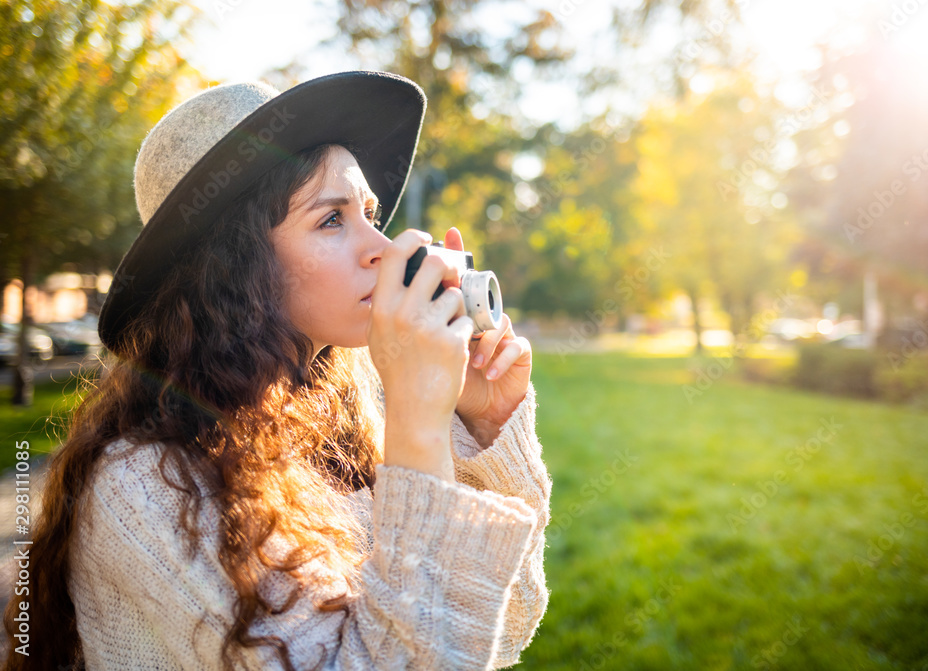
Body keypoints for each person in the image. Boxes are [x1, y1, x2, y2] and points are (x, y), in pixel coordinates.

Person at [1, 72, 551, 670]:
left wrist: (488, 424)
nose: (384, 247)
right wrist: (418, 428)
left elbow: (499, 625)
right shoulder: (148, 485)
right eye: (331, 220)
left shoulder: (343, 410)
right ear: (236, 270)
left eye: (369, 214)